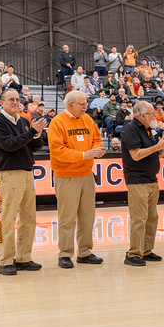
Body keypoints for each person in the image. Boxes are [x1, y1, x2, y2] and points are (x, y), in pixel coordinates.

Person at [0, 89, 47, 275]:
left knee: (29, 218)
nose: (16, 102)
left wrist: (37, 135)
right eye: (11, 99)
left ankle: (23, 258)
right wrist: (32, 131)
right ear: (2, 102)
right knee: (7, 219)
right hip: (8, 174)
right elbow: (10, 144)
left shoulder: (23, 120)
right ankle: (4, 261)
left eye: (17, 99)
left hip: (27, 173)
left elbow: (35, 147)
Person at [48, 90, 107, 268]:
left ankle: (85, 252)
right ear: (70, 105)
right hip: (66, 176)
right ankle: (64, 254)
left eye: (86, 103)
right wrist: (84, 154)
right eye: (82, 104)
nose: (86, 107)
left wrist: (96, 150)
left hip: (87, 175)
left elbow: (97, 138)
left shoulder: (87, 120)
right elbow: (58, 151)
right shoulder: (57, 123)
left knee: (87, 217)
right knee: (67, 218)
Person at [121, 101, 164, 266]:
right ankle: (133, 253)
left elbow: (155, 155)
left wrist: (163, 147)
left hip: (151, 179)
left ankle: (146, 250)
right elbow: (136, 155)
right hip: (137, 180)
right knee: (139, 218)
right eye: (152, 114)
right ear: (143, 115)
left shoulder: (148, 130)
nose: (155, 116)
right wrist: (157, 145)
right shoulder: (130, 129)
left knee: (152, 218)